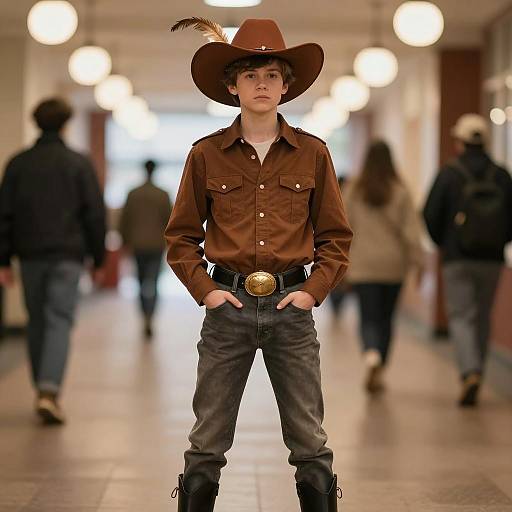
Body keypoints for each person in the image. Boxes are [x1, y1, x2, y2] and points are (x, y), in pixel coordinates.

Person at [166, 17, 352, 512]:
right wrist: (206, 290)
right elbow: (181, 237)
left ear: (287, 85)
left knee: (310, 443)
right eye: (251, 74)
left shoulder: (313, 154)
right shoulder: (205, 155)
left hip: (293, 312)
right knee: (206, 442)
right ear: (232, 85)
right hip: (226, 310)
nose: (262, 83)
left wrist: (313, 291)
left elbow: (335, 236)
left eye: (272, 73)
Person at [0, 97, 106, 424]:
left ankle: (41, 388)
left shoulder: (18, 163)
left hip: (29, 256)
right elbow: (94, 214)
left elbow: (5, 215)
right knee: (59, 319)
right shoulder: (77, 162)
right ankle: (49, 391)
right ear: (65, 124)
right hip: (68, 256)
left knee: (37, 321)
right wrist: (98, 257)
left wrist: (3, 260)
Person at [423, 113, 512, 407]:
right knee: (482, 314)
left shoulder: (449, 173)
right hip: (492, 259)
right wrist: (499, 242)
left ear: (459, 141)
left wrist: (445, 244)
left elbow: (430, 214)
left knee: (462, 316)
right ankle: (479, 371)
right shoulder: (501, 174)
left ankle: (469, 371)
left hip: (457, 258)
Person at [344, 140, 424, 394]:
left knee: (368, 316)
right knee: (386, 318)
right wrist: (419, 262)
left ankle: (371, 355)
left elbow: (342, 227)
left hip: (362, 264)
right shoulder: (400, 190)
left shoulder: (354, 189)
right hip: (393, 265)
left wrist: (339, 262)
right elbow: (411, 231)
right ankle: (382, 363)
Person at [119, 160, 172, 338]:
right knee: (154, 282)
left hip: (137, 244)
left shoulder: (133, 193)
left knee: (141, 283)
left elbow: (124, 220)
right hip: (156, 244)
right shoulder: (163, 194)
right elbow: (170, 221)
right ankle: (150, 316)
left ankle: (144, 315)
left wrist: (124, 241)